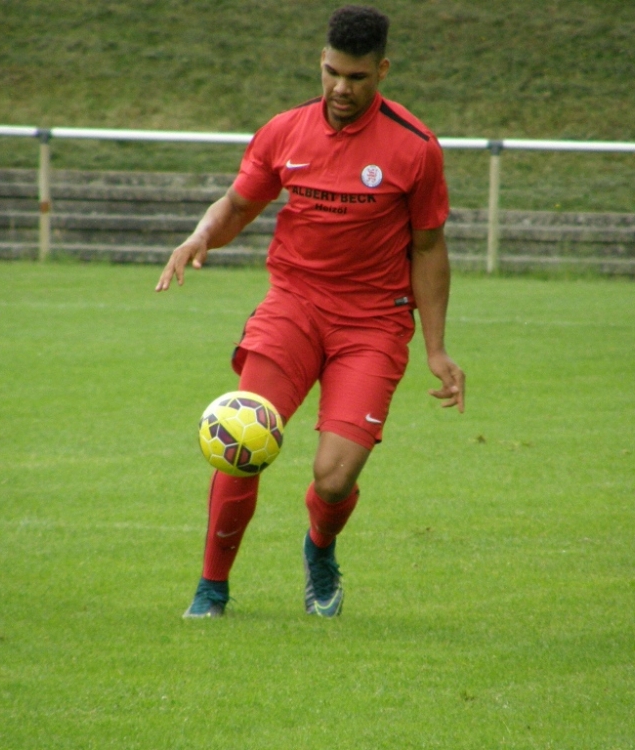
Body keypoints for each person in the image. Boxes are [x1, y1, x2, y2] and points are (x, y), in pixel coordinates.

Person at [156, 4, 465, 618]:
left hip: (373, 323)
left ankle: (319, 547)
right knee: (241, 443)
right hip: (292, 306)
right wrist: (199, 236)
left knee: (332, 478)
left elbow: (429, 248)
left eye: (356, 78)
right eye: (331, 74)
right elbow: (238, 204)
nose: (341, 90)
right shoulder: (285, 130)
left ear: (382, 70)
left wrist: (435, 348)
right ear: (319, 64)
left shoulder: (415, 148)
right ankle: (211, 588)